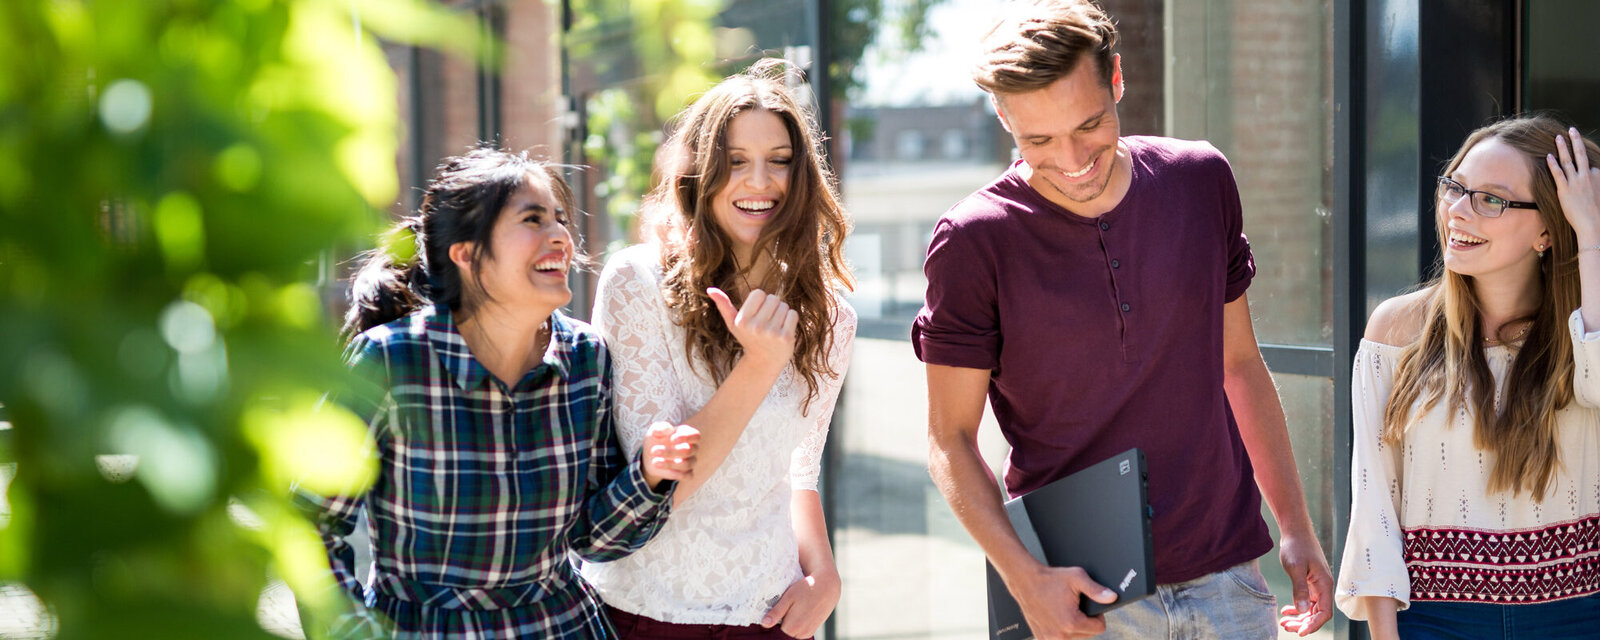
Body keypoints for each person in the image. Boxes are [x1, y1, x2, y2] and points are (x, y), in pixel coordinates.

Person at [913, 1, 1334, 638]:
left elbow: (1241, 367)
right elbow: (950, 440)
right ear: (1004, 117)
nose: (1072, 158)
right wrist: (1027, 583)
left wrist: (1297, 528)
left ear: (1116, 79)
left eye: (1089, 125)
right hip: (1080, 598)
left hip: (1229, 583)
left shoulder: (1199, 181)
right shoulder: (973, 242)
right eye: (1038, 140)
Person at [301, 147, 700, 639]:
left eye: (560, 219)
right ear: (466, 254)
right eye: (532, 220)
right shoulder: (390, 361)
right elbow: (312, 525)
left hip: (561, 625)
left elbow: (592, 539)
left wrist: (647, 477)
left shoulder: (585, 357)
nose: (560, 236)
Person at [578, 61, 857, 640]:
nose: (760, 182)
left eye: (779, 161)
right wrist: (760, 365)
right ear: (698, 174)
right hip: (647, 613)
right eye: (735, 162)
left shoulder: (830, 318)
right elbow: (661, 490)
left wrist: (825, 574)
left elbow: (798, 470)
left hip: (770, 613)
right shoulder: (636, 284)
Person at [1337, 117, 1600, 639]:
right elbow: (1375, 514)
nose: (1457, 210)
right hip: (1435, 620)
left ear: (1548, 229)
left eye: (1491, 200)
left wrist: (1591, 238)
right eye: (1455, 188)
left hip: (1577, 615)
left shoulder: (1584, 328)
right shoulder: (1396, 331)